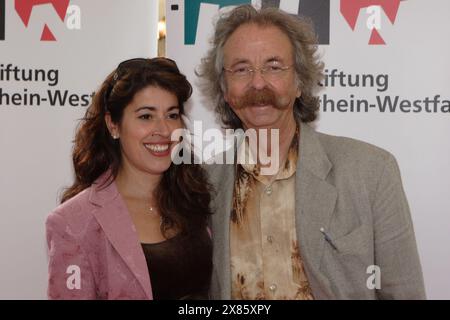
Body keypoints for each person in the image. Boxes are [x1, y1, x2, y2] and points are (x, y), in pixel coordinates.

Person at [197, 5, 425, 299]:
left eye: (274, 66)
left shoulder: (372, 171)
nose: (257, 82)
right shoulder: (204, 184)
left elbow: (404, 292)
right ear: (225, 90)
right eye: (241, 69)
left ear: (299, 83)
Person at [46, 57, 213, 299]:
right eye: (146, 116)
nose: (164, 130)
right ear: (113, 125)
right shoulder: (73, 223)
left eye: (172, 115)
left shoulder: (198, 194)